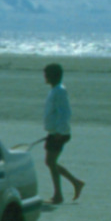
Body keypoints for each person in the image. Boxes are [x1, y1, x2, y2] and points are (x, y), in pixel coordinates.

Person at [41, 63, 85, 204]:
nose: (45, 77)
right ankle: (75, 183)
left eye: (46, 74)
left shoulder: (59, 91)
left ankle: (59, 195)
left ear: (52, 76)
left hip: (59, 133)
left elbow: (64, 113)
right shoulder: (55, 90)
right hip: (55, 132)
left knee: (50, 162)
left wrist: (59, 131)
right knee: (50, 162)